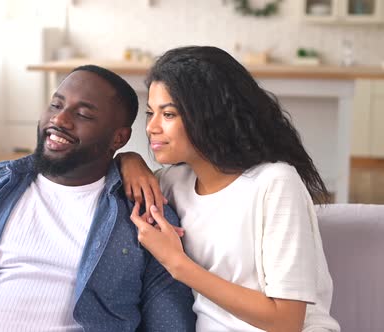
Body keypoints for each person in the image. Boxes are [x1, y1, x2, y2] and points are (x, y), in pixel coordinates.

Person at [0, 65, 196, 331]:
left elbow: (170, 322)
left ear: (119, 138)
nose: (60, 119)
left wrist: (131, 160)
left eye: (83, 114)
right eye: (56, 105)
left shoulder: (145, 213)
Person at [117, 46, 340, 331]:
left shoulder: (275, 183)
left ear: (209, 115)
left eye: (169, 114)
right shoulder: (172, 184)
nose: (151, 127)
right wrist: (129, 159)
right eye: (151, 113)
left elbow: (286, 321)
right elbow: (120, 177)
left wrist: (177, 262)